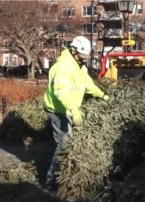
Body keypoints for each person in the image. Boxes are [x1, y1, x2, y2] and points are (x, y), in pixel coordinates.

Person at [43, 36, 110, 190]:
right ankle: (51, 181)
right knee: (64, 143)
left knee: (67, 140)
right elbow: (60, 92)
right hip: (58, 109)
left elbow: (87, 84)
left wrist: (101, 94)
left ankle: (64, 172)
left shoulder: (80, 66)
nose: (85, 58)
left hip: (69, 108)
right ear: (74, 51)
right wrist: (73, 109)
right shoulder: (63, 67)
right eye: (82, 55)